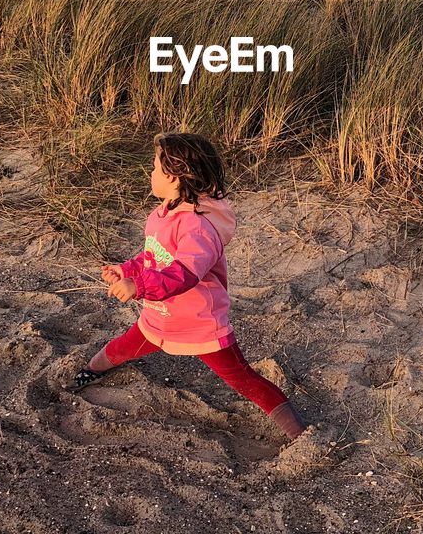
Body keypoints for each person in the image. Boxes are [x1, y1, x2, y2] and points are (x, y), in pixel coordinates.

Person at [68, 131, 307, 442]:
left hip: (199, 324)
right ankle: (89, 371)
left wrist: (137, 287)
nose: (150, 173)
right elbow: (153, 256)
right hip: (160, 318)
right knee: (122, 347)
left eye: (155, 168)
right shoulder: (161, 214)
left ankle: (299, 433)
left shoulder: (197, 226)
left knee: (241, 377)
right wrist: (126, 270)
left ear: (176, 177)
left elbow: (184, 274)